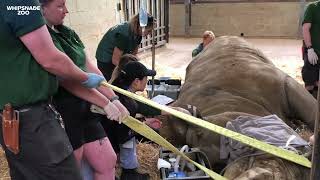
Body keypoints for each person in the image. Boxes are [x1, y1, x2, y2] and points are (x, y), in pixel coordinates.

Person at [0, 0, 105, 179]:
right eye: (60, 5)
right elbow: (50, 59)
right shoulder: (20, 2)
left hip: (12, 118)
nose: (66, 11)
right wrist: (85, 78)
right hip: (32, 118)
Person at [39, 0, 129, 179]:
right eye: (59, 6)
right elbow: (67, 81)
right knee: (74, 167)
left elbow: (90, 67)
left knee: (107, 160)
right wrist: (104, 103)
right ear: (42, 8)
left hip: (84, 105)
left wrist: (114, 99)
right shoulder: (43, 38)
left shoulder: (67, 32)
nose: (66, 11)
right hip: (63, 110)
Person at [96, 13, 154, 81]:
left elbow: (133, 55)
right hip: (105, 59)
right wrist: (129, 71)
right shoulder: (124, 34)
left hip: (116, 57)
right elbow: (115, 60)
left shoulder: (138, 33)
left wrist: (138, 68)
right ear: (141, 26)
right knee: (113, 83)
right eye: (149, 31)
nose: (150, 34)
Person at [302, 1, 320, 97]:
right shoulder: (312, 7)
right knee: (310, 82)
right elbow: (305, 28)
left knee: (318, 82)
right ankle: (308, 105)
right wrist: (309, 48)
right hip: (313, 51)